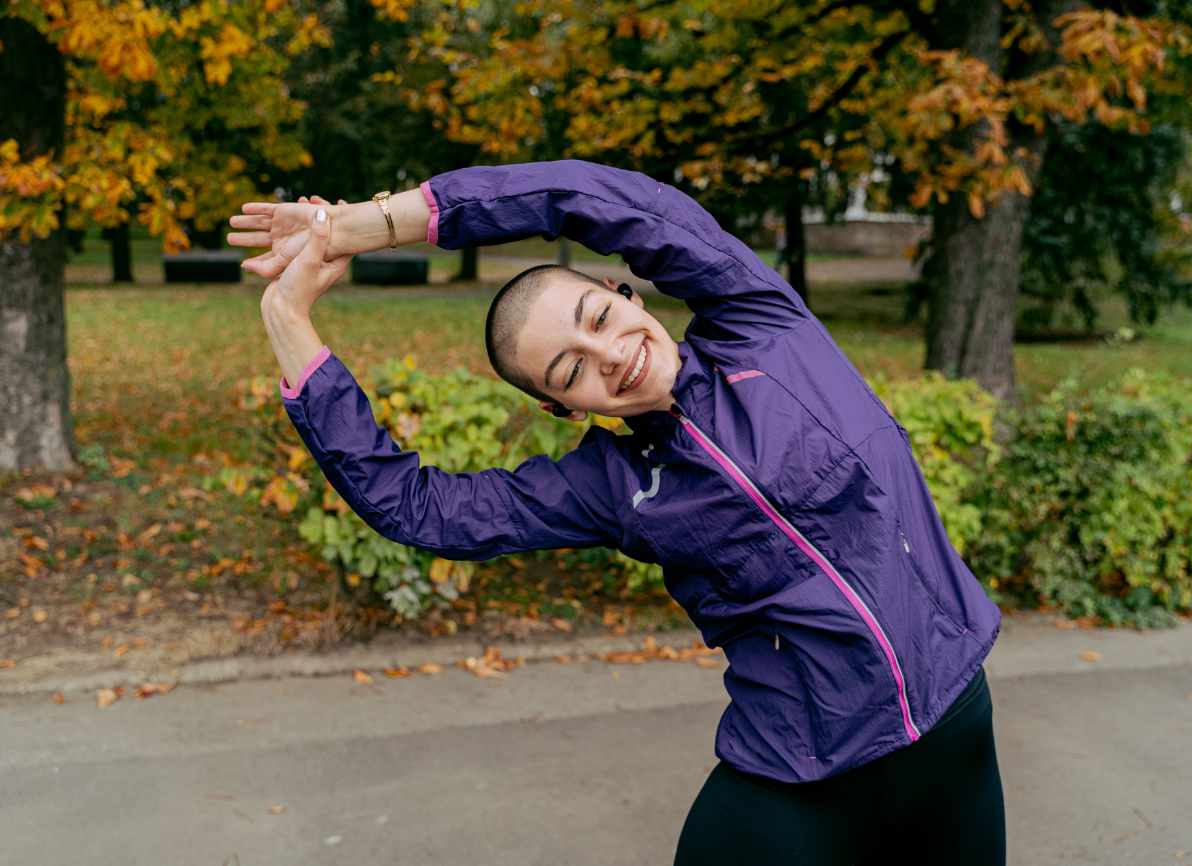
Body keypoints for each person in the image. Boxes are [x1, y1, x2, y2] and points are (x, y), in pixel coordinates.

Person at [228, 160, 1006, 865]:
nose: (611, 355)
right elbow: (420, 509)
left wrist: (368, 223)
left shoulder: (762, 325)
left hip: (956, 732)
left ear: (625, 293)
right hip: (802, 773)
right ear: (563, 407)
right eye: (572, 369)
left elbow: (595, 199)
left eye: (599, 319)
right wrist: (289, 322)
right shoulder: (609, 485)